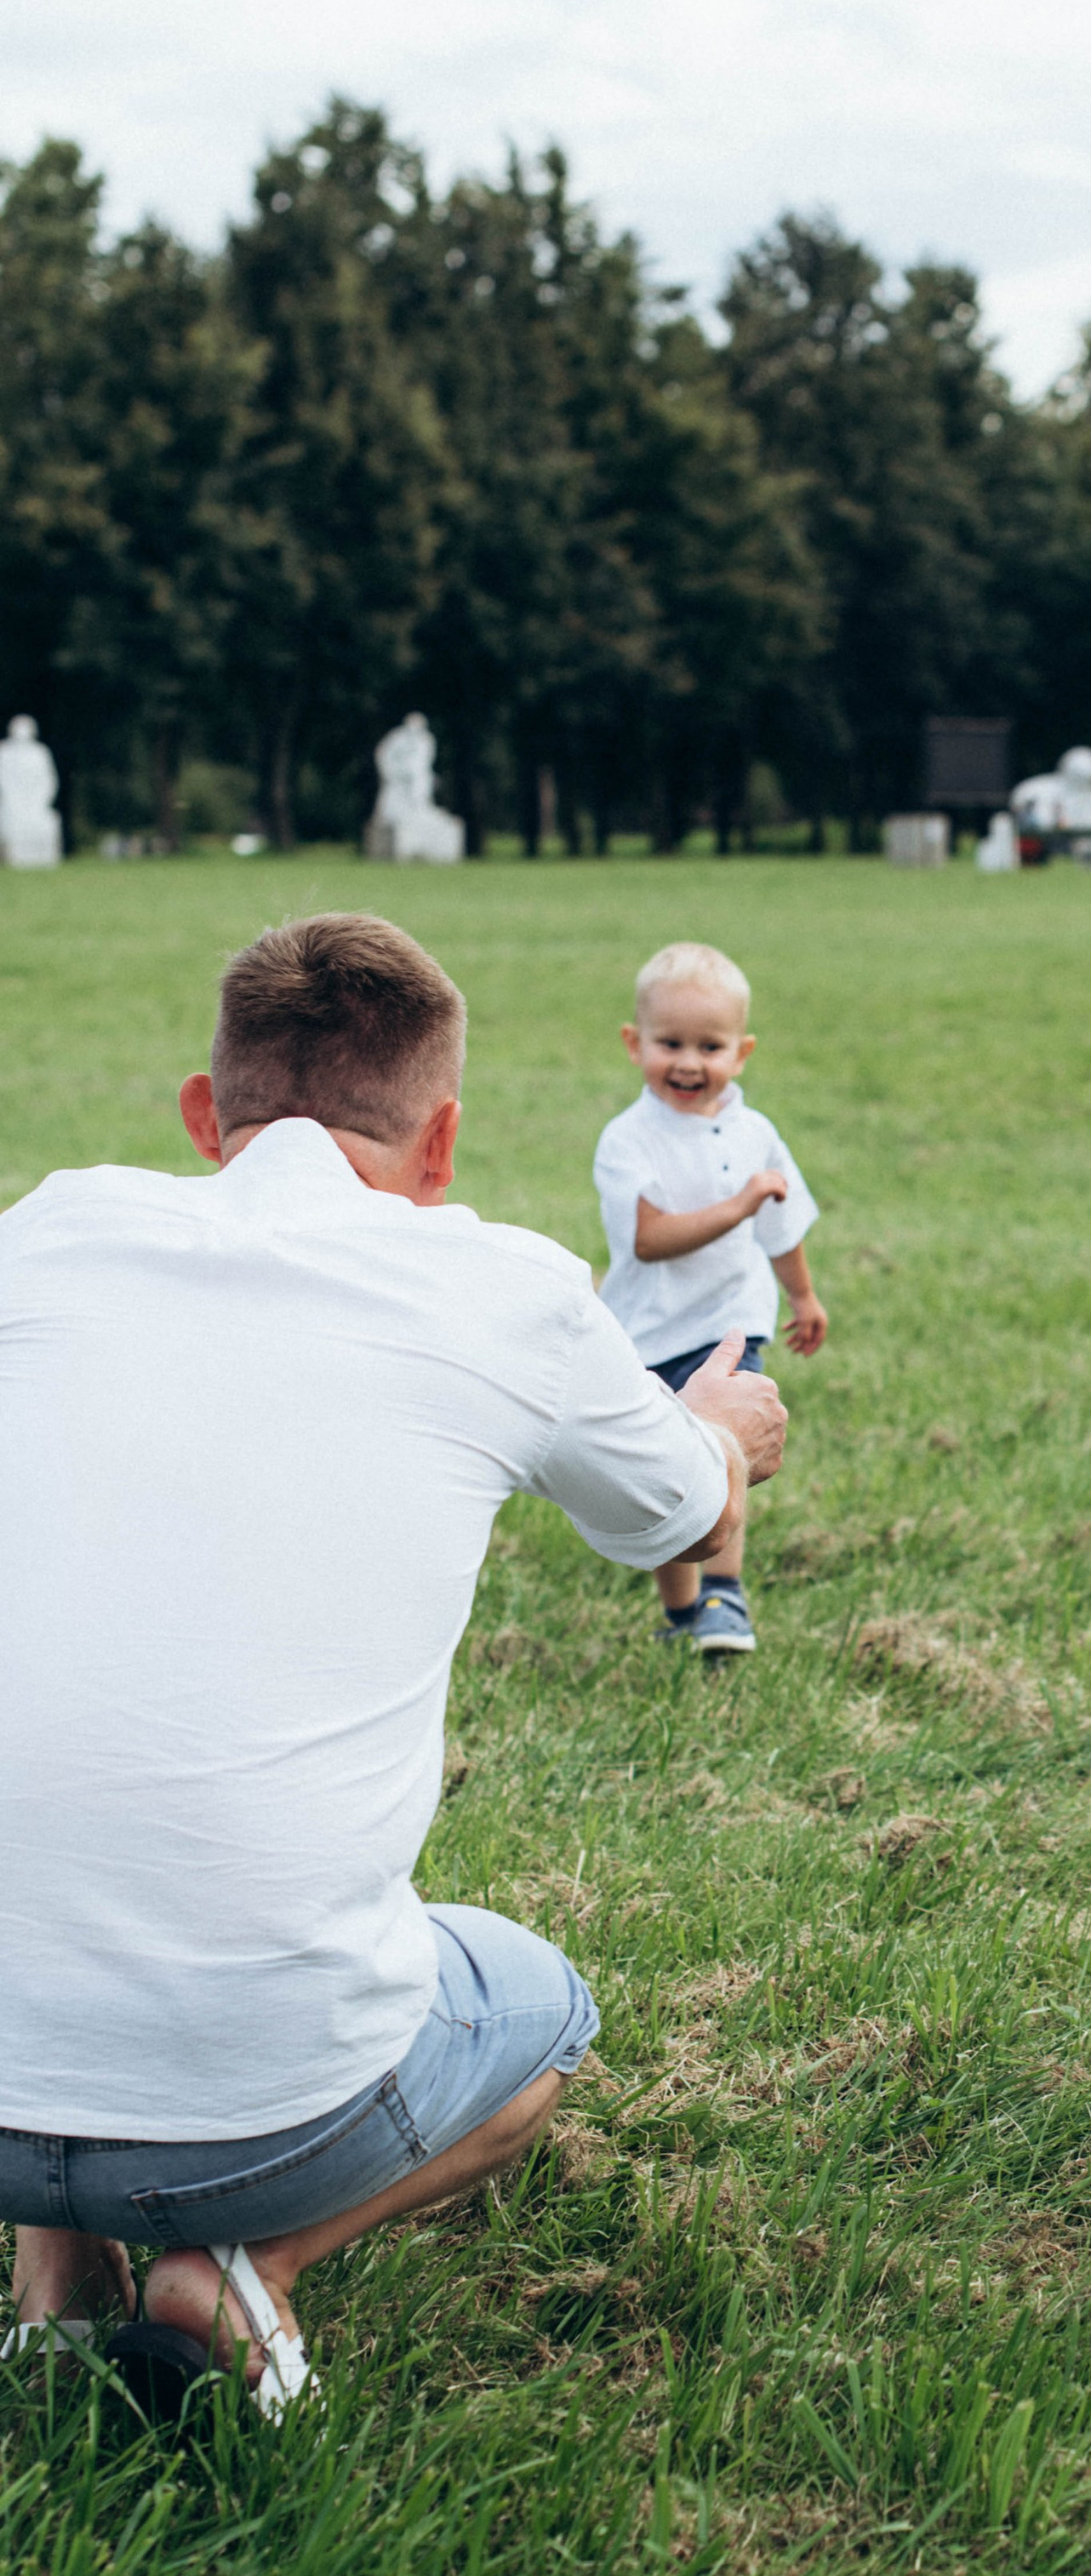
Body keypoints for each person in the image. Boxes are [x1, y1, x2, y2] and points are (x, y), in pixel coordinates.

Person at [0, 912, 786, 2419]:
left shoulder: (43, 1229)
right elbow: (678, 1513)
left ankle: (51, 2291)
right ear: (443, 1146)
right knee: (543, 2007)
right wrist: (729, 1432)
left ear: (198, 1116)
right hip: (257, 2106)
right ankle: (243, 2272)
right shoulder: (501, 1283)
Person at [592, 942, 825, 1657]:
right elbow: (650, 1239)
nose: (689, 1063)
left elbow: (782, 1225)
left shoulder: (757, 1135)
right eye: (670, 1044)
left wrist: (804, 1296)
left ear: (742, 1051)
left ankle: (724, 1594)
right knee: (664, 1472)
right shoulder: (628, 1140)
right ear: (635, 1045)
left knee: (724, 1453)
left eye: (710, 1045)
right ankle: (680, 1608)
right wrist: (741, 1202)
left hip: (731, 1327)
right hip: (651, 1334)